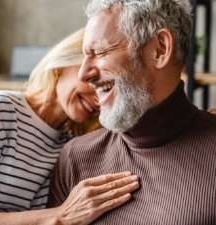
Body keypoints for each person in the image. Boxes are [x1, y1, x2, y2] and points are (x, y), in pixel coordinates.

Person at [48, 0, 216, 224]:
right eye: (85, 56)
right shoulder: (75, 157)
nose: (83, 73)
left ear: (160, 49)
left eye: (100, 52)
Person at [0, 28, 140, 225]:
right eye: (94, 82)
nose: (99, 99)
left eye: (107, 89)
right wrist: (60, 216)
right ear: (62, 65)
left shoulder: (70, 142)